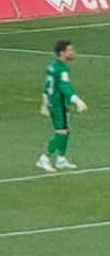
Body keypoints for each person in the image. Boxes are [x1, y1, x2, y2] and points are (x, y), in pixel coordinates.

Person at [40, 39, 87, 173]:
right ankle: (45, 157)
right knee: (61, 131)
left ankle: (61, 159)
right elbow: (64, 86)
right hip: (57, 104)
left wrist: (44, 104)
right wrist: (77, 100)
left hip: (52, 102)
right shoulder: (62, 69)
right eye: (70, 50)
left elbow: (47, 86)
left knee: (66, 129)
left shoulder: (52, 66)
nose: (73, 52)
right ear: (62, 52)